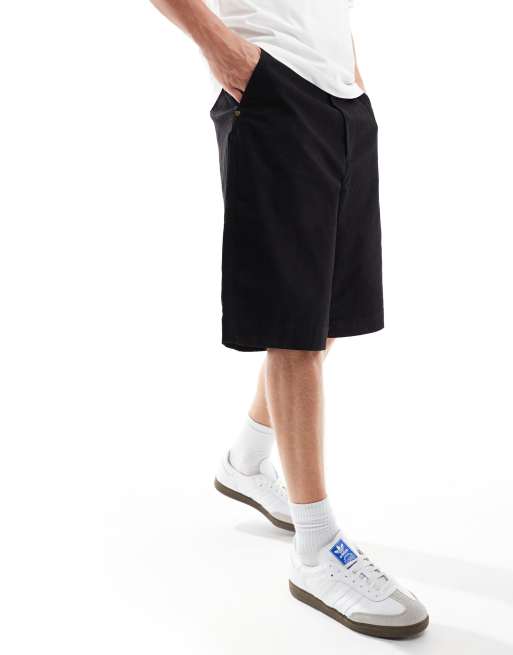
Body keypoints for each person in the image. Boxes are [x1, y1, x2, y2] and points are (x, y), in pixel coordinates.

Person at [150, 0, 429, 639]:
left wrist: (349, 71)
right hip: (273, 91)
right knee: (292, 331)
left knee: (323, 320)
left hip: (344, 100)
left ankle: (245, 463)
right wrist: (222, 49)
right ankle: (316, 548)